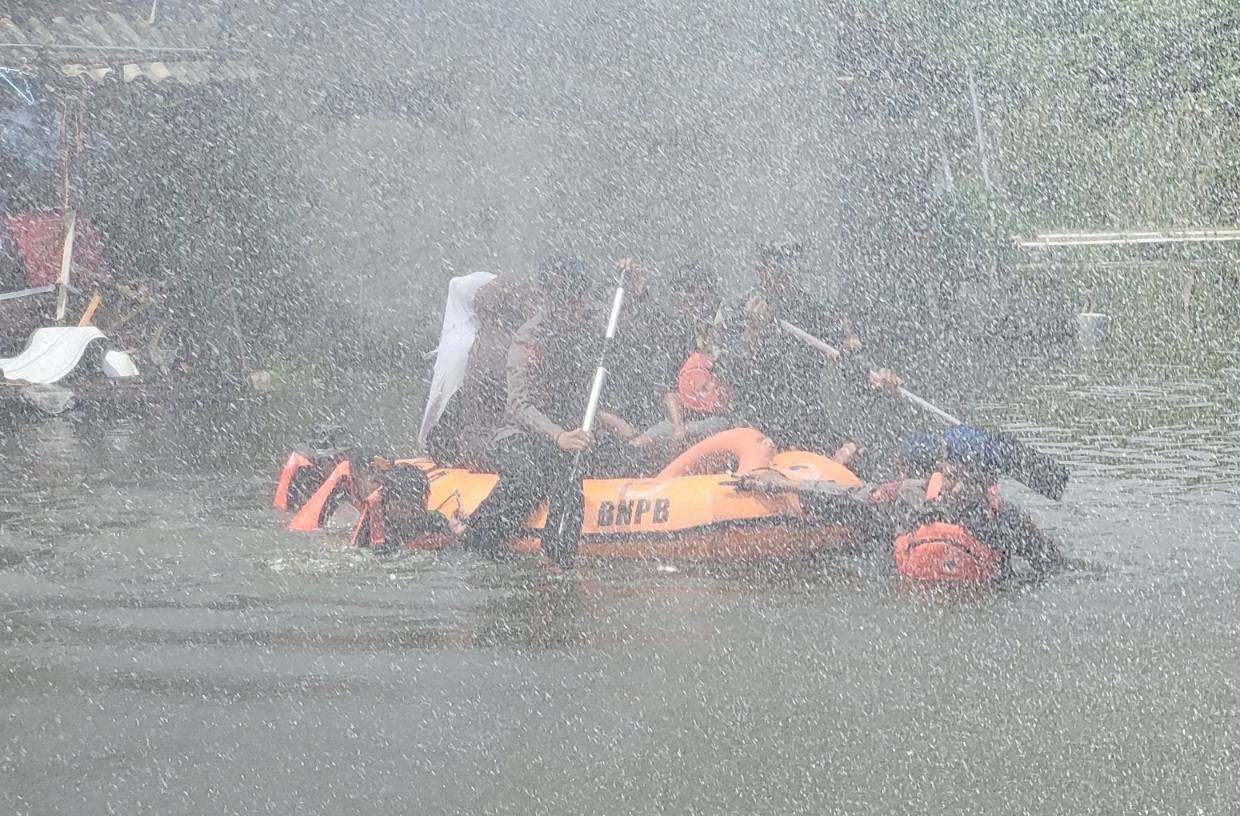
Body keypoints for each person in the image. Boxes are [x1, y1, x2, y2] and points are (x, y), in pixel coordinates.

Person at [457, 254, 646, 567]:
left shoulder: (589, 324)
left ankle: (557, 561)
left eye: (568, 294)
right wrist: (558, 436)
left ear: (579, 297)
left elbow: (622, 320)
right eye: (551, 292)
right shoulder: (528, 338)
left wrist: (633, 289)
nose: (559, 302)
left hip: (572, 435)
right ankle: (474, 541)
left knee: (572, 477)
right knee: (528, 480)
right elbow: (519, 405)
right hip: (523, 434)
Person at [731, 425, 1067, 582]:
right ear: (938, 470)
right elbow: (845, 495)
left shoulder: (1007, 520)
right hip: (915, 597)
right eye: (952, 476)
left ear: (990, 482)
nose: (960, 487)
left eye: (973, 479)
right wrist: (779, 482)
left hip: (975, 594)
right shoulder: (907, 496)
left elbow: (1054, 567)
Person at [728, 236, 903, 472]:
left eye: (792, 269)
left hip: (808, 420)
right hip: (754, 424)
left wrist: (877, 373)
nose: (787, 278)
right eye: (779, 271)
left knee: (854, 459)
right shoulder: (736, 309)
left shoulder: (813, 311)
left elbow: (849, 354)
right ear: (761, 271)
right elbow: (731, 376)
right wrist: (753, 332)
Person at [351, 464, 455, 554]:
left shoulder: (435, 521)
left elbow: (455, 548)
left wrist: (456, 535)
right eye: (401, 502)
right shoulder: (373, 528)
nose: (409, 509)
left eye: (416, 500)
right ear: (386, 502)